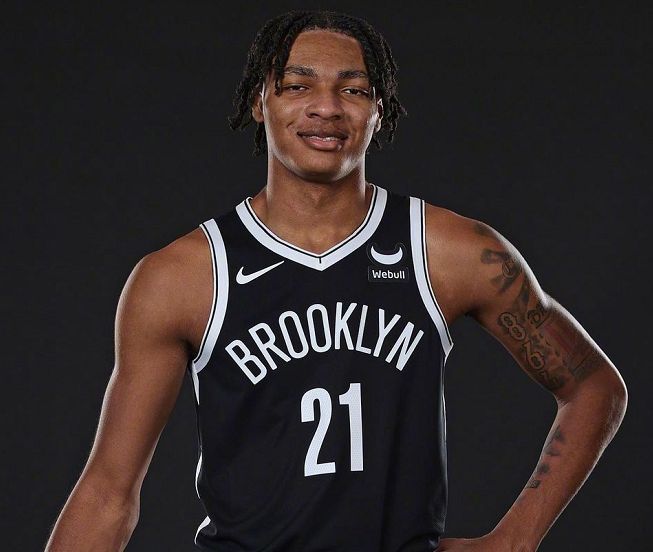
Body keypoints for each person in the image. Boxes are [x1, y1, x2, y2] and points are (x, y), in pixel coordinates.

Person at [45, 10, 627, 552]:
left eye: (353, 89)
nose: (326, 108)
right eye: (298, 86)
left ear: (380, 110)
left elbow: (593, 386)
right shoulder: (184, 276)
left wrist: (515, 539)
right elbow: (108, 491)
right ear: (260, 101)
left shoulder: (450, 252)